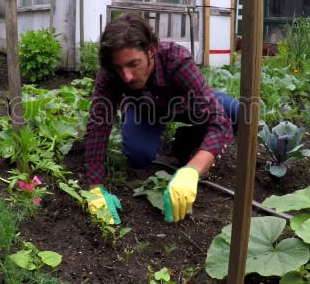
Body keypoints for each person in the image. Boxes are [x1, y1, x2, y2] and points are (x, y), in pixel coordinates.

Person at [84, 13, 238, 224]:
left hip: (185, 106)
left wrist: (192, 171)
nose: (126, 76)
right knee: (138, 156)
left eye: (133, 64)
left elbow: (219, 122)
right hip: (143, 112)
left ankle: (185, 141)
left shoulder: (176, 59)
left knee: (235, 113)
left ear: (152, 51)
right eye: (120, 68)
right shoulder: (110, 72)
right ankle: (170, 141)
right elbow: (98, 126)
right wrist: (95, 187)